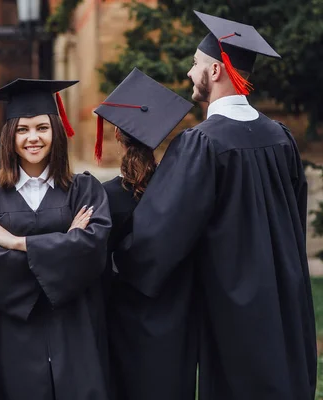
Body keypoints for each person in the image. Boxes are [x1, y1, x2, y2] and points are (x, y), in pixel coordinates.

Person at [118, 12, 316, 400]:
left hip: (233, 309)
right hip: (285, 298)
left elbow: (159, 239)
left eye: (195, 64)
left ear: (215, 69)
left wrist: (115, 258)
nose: (190, 72)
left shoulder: (201, 144)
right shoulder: (281, 139)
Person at [0, 79, 112, 400]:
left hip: (75, 327)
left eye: (42, 127)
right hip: (13, 329)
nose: (33, 138)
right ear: (9, 136)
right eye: (22, 129)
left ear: (56, 131)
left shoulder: (84, 190)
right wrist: (66, 243)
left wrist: (17, 243)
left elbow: (92, 252)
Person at [94, 68, 195, 400]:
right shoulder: (178, 189)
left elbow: (97, 264)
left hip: (124, 316)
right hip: (175, 315)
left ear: (117, 136)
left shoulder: (107, 196)